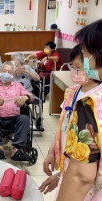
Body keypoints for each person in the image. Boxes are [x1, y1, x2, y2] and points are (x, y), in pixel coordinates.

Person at [42, 20, 102, 201]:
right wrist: (61, 174)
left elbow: (81, 176)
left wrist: (67, 178)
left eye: (85, 54)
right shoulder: (74, 93)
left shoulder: (90, 103)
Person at [0, 61, 34, 160]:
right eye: (4, 71)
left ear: (13, 75)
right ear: (0, 72)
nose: (6, 73)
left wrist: (25, 97)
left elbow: (32, 97)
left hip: (14, 119)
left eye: (9, 72)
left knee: (24, 119)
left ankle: (16, 151)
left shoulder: (18, 85)